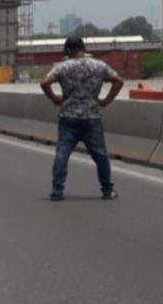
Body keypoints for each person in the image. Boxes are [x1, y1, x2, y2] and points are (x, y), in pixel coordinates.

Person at [40, 36, 125, 201]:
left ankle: (57, 190)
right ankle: (107, 190)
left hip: (68, 117)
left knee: (62, 154)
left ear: (67, 51)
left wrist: (56, 99)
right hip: (91, 116)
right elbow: (119, 81)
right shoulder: (99, 65)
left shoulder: (62, 67)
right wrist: (106, 101)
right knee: (100, 155)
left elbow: (44, 82)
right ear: (83, 49)